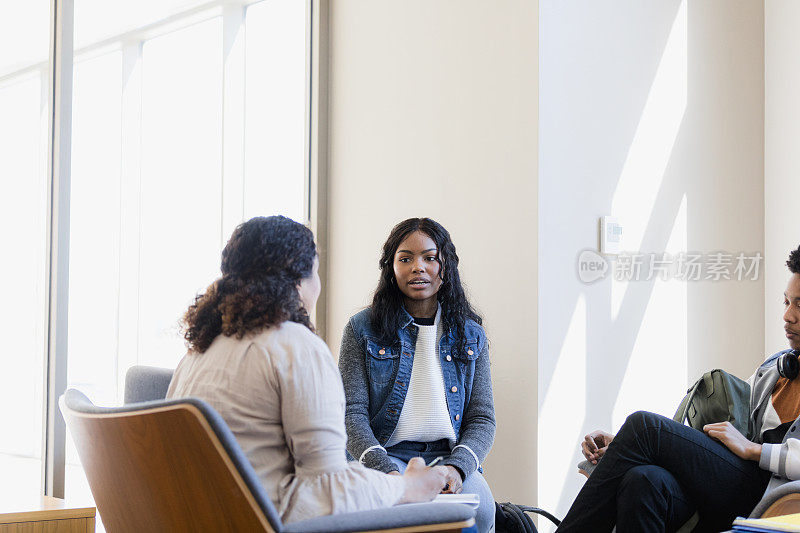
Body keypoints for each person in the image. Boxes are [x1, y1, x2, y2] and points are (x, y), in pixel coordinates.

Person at [166, 216, 449, 525]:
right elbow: (329, 488)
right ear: (299, 282)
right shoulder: (296, 347)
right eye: (315, 272)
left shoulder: (196, 354)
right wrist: (405, 486)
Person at [556, 244, 800, 533]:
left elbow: (746, 449)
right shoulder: (774, 370)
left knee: (644, 426)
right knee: (643, 479)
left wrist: (754, 450)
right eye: (786, 302)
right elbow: (712, 449)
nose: (788, 316)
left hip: (772, 497)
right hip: (733, 485)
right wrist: (626, 447)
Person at [338, 217, 497, 532]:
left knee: (480, 512)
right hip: (386, 455)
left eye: (429, 257)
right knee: (391, 510)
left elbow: (482, 418)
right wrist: (390, 475)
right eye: (405, 258)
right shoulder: (361, 329)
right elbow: (351, 415)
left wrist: (458, 468)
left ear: (445, 266)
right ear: (391, 267)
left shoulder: (471, 334)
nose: (417, 267)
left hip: (448, 457)